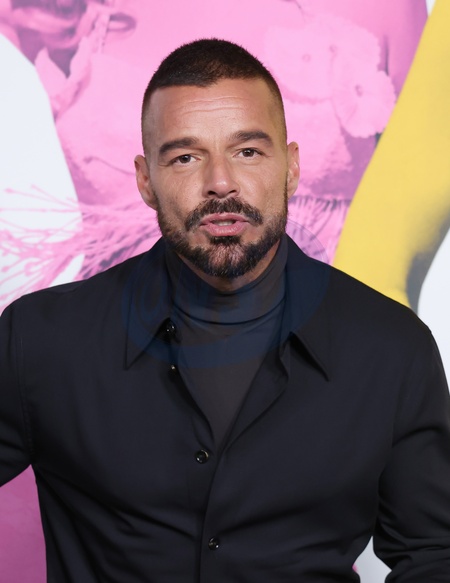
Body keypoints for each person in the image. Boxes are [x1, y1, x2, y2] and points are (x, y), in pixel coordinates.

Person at [1, 38, 450, 582]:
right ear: (145, 180)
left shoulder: (393, 349)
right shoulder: (41, 339)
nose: (220, 184)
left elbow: (434, 554)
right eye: (186, 157)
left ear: (291, 167)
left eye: (248, 152)